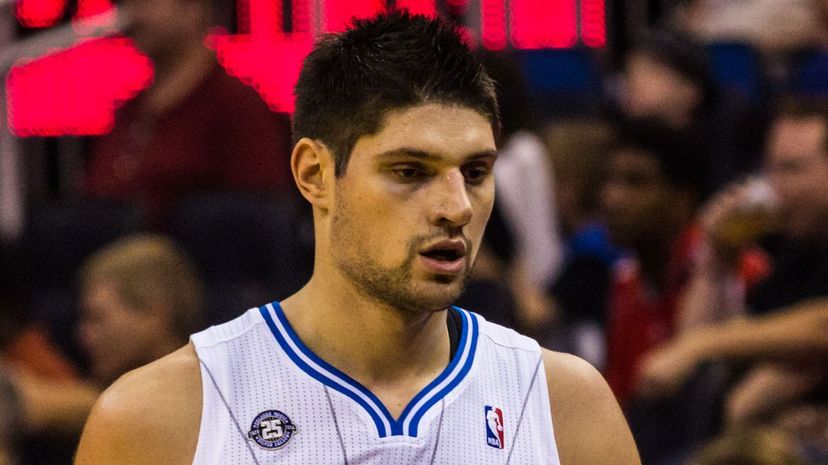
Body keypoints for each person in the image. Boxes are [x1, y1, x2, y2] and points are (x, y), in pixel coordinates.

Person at [74, 12, 640, 465]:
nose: (456, 208)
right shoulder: (159, 417)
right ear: (315, 175)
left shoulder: (568, 407)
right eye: (409, 171)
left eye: (474, 172)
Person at [83, 0, 293, 225]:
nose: (132, 14)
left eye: (146, 2)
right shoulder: (131, 110)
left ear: (195, 9)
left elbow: (258, 221)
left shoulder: (236, 104)